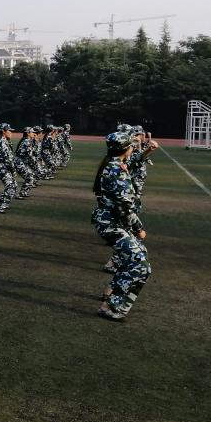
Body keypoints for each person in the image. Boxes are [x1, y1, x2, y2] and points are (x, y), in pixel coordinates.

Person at [92, 132, 151, 321]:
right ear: (126, 148)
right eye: (131, 145)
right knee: (140, 265)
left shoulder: (113, 165)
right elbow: (125, 207)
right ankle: (111, 306)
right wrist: (138, 229)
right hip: (113, 224)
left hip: (112, 222)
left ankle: (110, 295)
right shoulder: (116, 170)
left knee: (138, 257)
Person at [0, 123, 18, 213]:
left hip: (3, 166)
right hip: (1, 167)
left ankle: (3, 203)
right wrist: (13, 171)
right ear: (4, 131)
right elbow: (8, 160)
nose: (11, 132)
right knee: (10, 186)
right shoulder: (2, 142)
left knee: (13, 185)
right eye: (9, 130)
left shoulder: (5, 141)